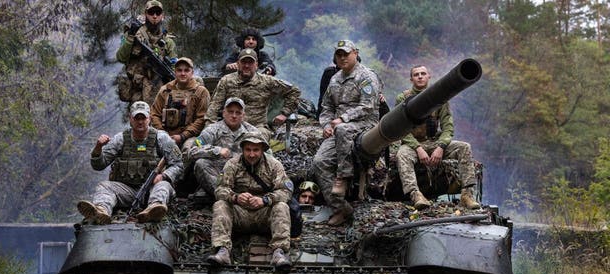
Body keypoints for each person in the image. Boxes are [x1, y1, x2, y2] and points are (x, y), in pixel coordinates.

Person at [77, 101, 184, 224]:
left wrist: (164, 175)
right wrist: (98, 148)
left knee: (163, 186)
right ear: (130, 119)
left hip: (152, 189)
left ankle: (154, 210)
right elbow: (98, 165)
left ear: (149, 118)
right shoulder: (120, 139)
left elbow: (178, 164)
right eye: (136, 118)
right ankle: (101, 211)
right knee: (104, 186)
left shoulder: (161, 139)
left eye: (143, 118)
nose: (140, 122)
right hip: (128, 191)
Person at [312, 40, 380, 226]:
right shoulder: (335, 79)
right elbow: (326, 107)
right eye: (339, 54)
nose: (342, 58)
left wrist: (343, 118)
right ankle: (341, 208)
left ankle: (343, 176)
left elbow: (368, 105)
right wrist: (326, 125)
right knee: (319, 161)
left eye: (346, 54)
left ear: (355, 53)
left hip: (364, 123)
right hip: (338, 126)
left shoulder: (366, 76)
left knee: (342, 129)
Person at [395, 65, 480, 210]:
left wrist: (441, 146)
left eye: (423, 73)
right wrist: (418, 148)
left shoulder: (439, 98)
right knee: (402, 154)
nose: (420, 76)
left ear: (429, 76)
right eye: (416, 74)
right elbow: (400, 128)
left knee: (464, 147)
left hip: (435, 142)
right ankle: (416, 195)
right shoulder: (403, 98)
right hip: (412, 144)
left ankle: (467, 195)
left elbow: (448, 127)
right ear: (411, 79)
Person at [206, 132, 293, 268]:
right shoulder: (232, 164)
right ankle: (222, 250)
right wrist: (235, 197)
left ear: (262, 150)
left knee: (281, 206)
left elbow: (286, 191)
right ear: (243, 149)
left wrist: (265, 200)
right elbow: (220, 189)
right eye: (248, 150)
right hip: (240, 214)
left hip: (264, 214)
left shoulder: (274, 165)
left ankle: (279, 251)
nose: (251, 154)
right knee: (220, 204)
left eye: (256, 150)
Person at [206, 48, 301, 141]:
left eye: (250, 62)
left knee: (254, 142)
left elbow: (294, 91)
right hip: (230, 126)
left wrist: (284, 114)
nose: (247, 66)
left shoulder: (267, 81)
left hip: (257, 127)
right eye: (244, 62)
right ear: (238, 64)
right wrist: (210, 128)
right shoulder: (226, 81)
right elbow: (214, 106)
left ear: (256, 65)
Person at [188, 97, 259, 197]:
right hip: (220, 175)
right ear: (224, 113)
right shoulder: (212, 130)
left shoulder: (252, 132)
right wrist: (216, 150)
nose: (234, 116)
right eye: (230, 112)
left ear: (243, 115)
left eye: (238, 113)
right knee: (201, 163)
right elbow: (192, 151)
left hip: (245, 173)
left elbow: (268, 155)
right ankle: (226, 196)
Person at [116, 0, 176, 106]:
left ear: (163, 16)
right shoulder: (134, 34)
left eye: (158, 13)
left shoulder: (167, 41)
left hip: (160, 92)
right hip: (138, 92)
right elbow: (121, 57)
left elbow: (174, 67)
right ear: (145, 14)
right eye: (151, 12)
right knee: (140, 120)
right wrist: (130, 37)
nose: (154, 16)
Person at [150, 57, 209, 152]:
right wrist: (163, 134)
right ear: (175, 72)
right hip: (165, 135)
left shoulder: (201, 92)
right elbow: (154, 114)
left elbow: (202, 119)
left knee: (189, 150)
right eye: (179, 70)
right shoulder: (165, 90)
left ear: (192, 73)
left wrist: (183, 136)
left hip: (190, 136)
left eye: (186, 70)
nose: (183, 73)